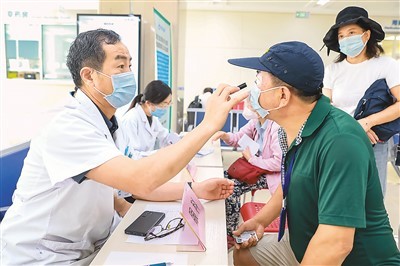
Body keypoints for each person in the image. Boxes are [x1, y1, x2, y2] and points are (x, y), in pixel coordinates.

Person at [0, 29, 247, 265]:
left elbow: (126, 189)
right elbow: (139, 180)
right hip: (44, 256)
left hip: (88, 245)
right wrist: (208, 125)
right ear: (88, 75)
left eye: (129, 65)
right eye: (120, 66)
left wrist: (196, 189)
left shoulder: (106, 121)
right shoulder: (68, 126)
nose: (129, 73)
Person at [227, 41, 400, 265]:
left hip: (352, 258)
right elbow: (292, 180)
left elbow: (336, 244)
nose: (252, 89)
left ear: (282, 96)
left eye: (259, 79)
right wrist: (261, 220)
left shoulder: (341, 141)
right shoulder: (295, 127)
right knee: (245, 256)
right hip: (303, 241)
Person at [322, 6, 400, 197]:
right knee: (339, 194)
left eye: (351, 33)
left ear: (366, 35)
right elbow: (325, 106)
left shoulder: (386, 65)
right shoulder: (333, 70)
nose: (346, 39)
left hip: (374, 140)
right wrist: (353, 128)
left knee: (372, 198)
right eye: (341, 36)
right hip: (339, 138)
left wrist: (367, 122)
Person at [212, 98, 281, 246]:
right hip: (256, 168)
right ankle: (225, 223)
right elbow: (237, 138)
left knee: (231, 189)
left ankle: (231, 234)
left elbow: (278, 162)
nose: (247, 107)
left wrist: (252, 160)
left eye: (250, 104)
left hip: (270, 173)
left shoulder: (276, 127)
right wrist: (225, 135)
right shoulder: (255, 122)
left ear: (261, 107)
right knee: (222, 179)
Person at [121, 80, 179, 159]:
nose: (166, 107)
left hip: (146, 165)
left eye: (169, 103)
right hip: (134, 167)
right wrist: (158, 154)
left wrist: (181, 141)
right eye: (164, 103)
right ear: (148, 103)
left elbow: (165, 137)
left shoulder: (153, 119)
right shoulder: (131, 119)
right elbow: (131, 155)